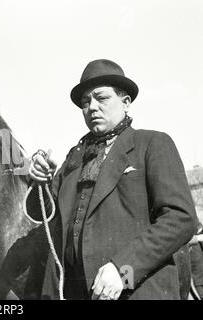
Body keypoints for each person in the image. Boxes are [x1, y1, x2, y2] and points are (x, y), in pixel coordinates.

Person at [28, 59, 198, 300]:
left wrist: (123, 270)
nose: (92, 107)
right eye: (85, 102)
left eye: (102, 98)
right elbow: (44, 216)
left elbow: (182, 219)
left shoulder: (152, 144)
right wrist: (40, 181)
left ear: (126, 102)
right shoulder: (73, 160)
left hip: (136, 291)